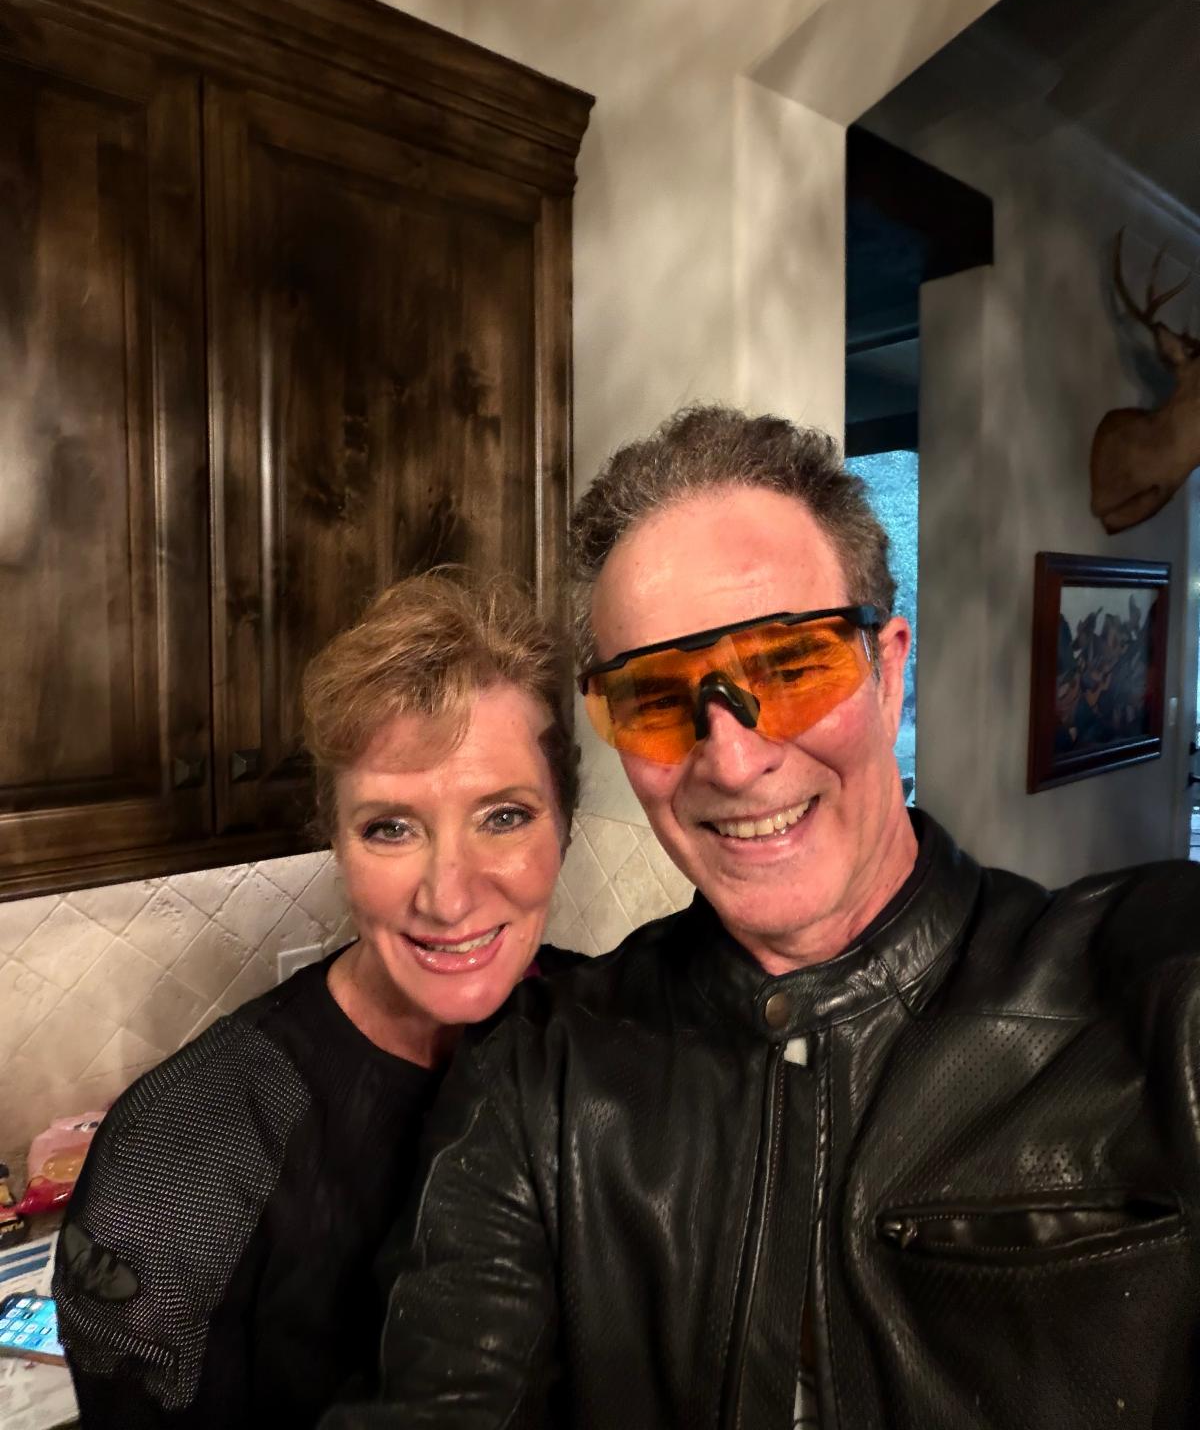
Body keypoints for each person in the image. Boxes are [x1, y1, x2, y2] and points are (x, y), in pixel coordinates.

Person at [328, 405, 1200, 1430]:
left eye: (791, 667)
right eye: (656, 698)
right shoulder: (542, 1073)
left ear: (888, 673)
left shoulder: (1158, 999)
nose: (734, 761)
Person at [53, 572, 580, 1428]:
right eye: (390, 828)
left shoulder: (617, 1036)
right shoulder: (183, 1157)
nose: (449, 896)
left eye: (504, 816)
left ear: (565, 824)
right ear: (334, 841)